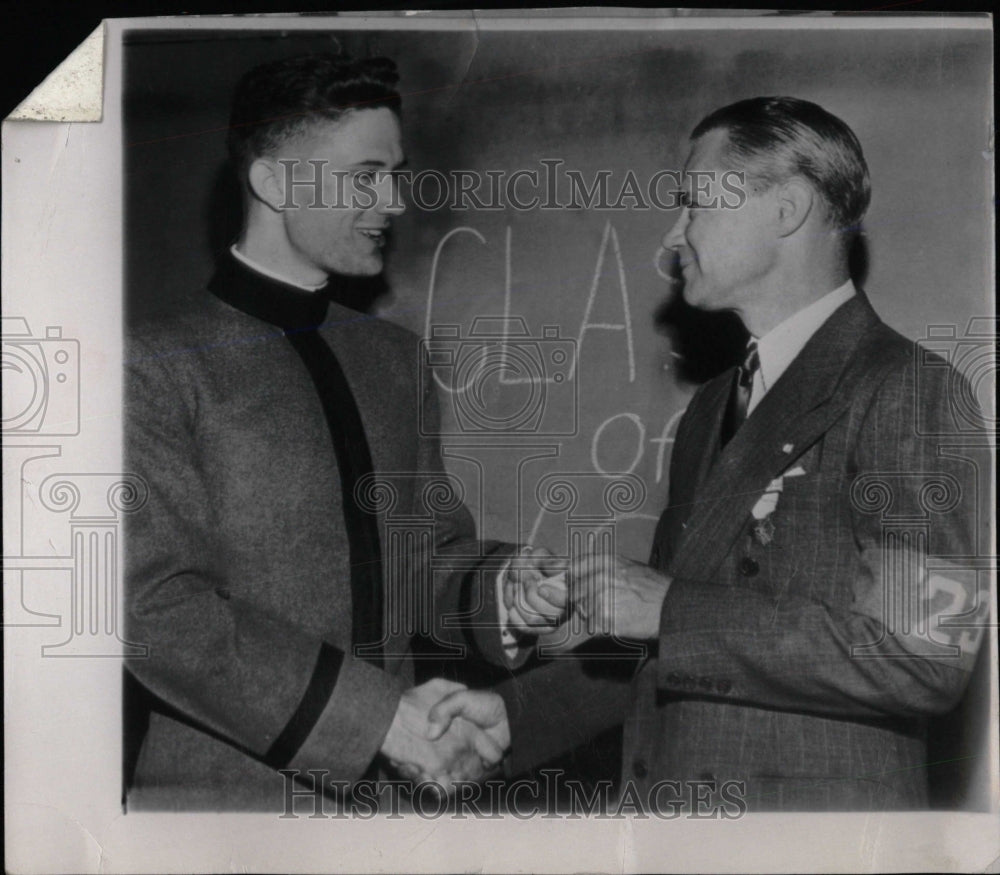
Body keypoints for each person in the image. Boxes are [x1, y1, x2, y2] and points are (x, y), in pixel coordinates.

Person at [432, 97, 988, 811]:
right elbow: (669, 647)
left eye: (694, 204)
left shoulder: (910, 389)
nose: (674, 234)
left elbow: (924, 655)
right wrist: (516, 715)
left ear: (786, 209)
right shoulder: (710, 409)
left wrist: (672, 607)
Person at [123, 53, 521, 812]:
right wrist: (376, 721)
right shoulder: (151, 366)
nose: (393, 200)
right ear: (273, 182)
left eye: (396, 173)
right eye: (365, 174)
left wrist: (503, 589)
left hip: (403, 810)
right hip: (224, 814)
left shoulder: (393, 358)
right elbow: (157, 610)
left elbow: (423, 559)